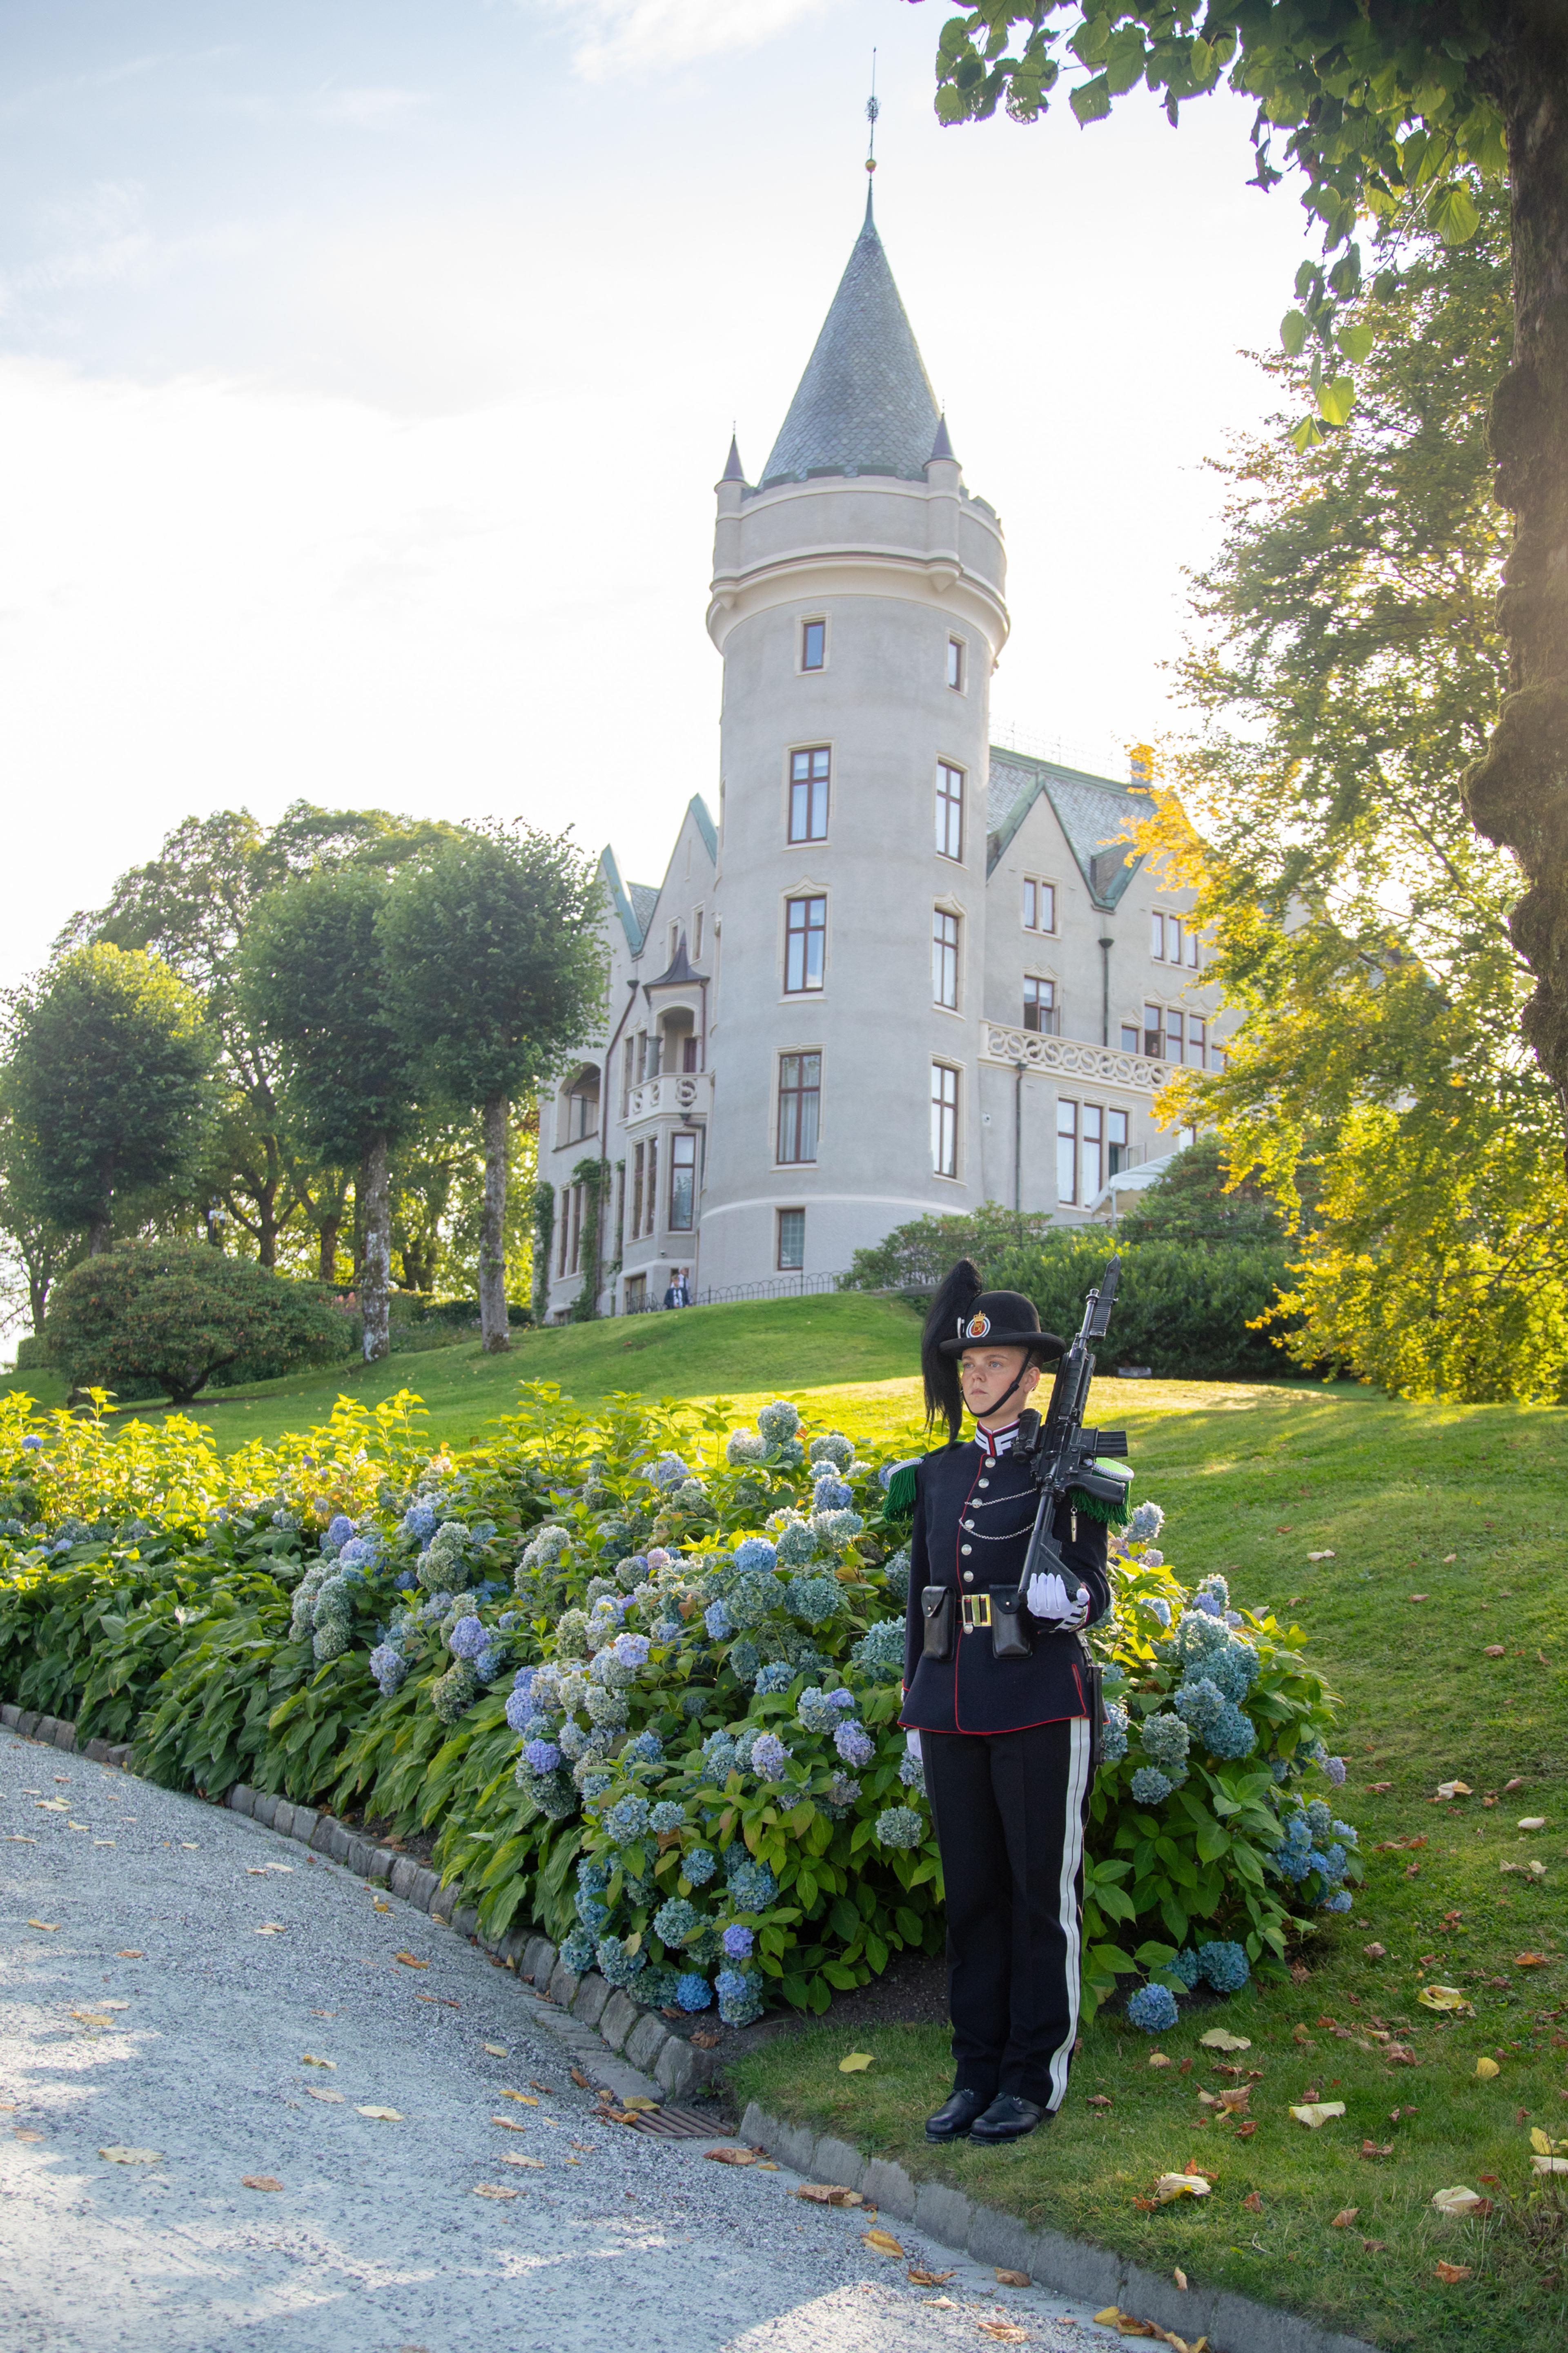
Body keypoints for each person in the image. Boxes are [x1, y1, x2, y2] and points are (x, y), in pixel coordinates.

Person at [898, 1259, 1111, 2145]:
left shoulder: (1071, 1466)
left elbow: (1097, 1585)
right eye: (969, 1364)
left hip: (1037, 1697)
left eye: (993, 1364)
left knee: (1037, 1898)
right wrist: (915, 1707)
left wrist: (1073, 1600)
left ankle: (1032, 2075)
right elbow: (921, 1595)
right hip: (952, 1701)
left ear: (1032, 1373)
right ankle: (975, 2068)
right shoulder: (938, 1473)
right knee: (974, 1897)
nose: (976, 1376)